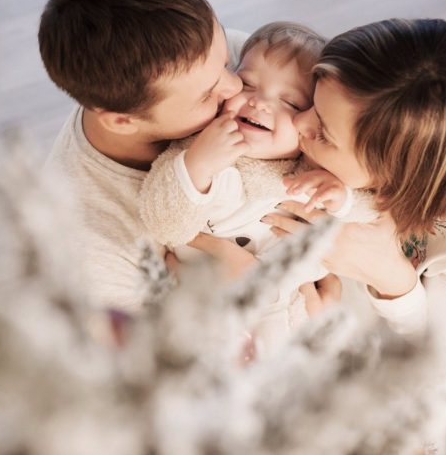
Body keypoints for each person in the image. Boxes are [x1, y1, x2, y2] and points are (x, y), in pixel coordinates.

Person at [260, 18, 446, 391]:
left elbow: (442, 365)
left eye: (322, 133)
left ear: (393, 175)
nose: (297, 122)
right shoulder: (384, 110)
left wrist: (394, 282)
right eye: (309, 103)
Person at [138, 21, 377, 353]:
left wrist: (345, 200)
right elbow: (161, 221)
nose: (259, 103)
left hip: (294, 317)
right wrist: (198, 165)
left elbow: (374, 212)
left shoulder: (314, 169)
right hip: (208, 315)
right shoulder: (199, 150)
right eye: (247, 84)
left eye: (291, 103)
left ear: (312, 124)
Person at [39, 0, 245, 312]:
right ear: (121, 120)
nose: (238, 86)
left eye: (225, 60)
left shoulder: (205, 62)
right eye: (207, 96)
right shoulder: (91, 250)